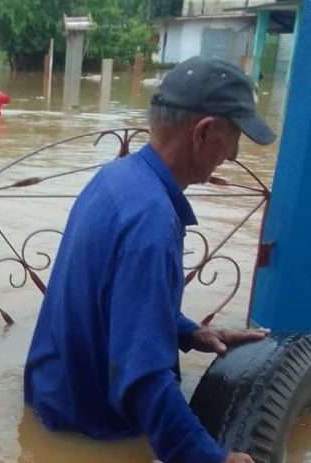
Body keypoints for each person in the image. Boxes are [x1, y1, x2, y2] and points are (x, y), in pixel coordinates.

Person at [24, 56, 277, 463]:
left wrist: (187, 332)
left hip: (52, 398)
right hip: (93, 429)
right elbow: (143, 380)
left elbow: (109, 297)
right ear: (204, 131)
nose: (232, 154)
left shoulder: (117, 178)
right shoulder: (151, 222)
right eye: (234, 137)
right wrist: (212, 459)